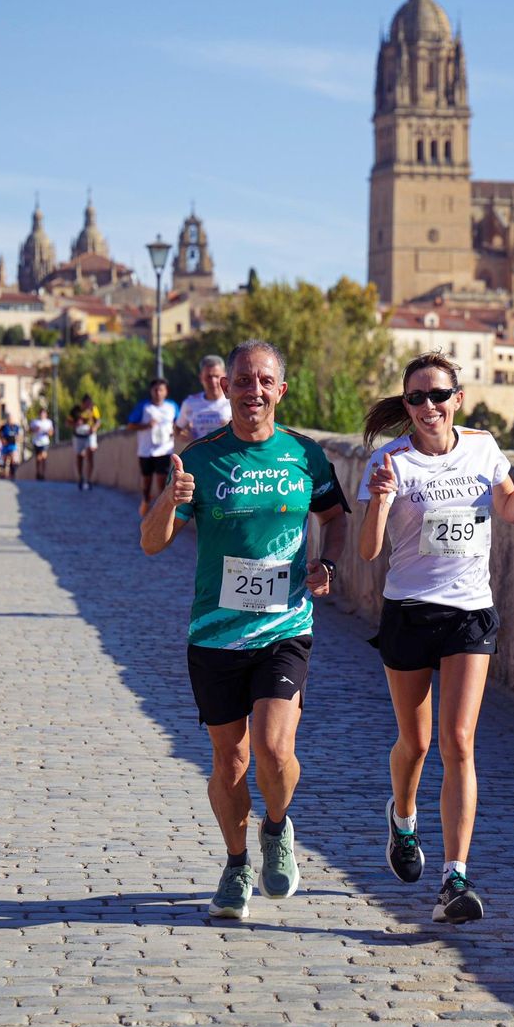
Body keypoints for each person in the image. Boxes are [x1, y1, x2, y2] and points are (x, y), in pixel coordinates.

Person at [140, 339, 349, 920]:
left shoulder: (306, 456)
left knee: (274, 750)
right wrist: (170, 498)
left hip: (286, 625)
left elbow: (334, 518)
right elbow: (152, 543)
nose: (252, 390)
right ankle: (236, 864)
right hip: (213, 634)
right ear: (225, 388)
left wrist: (328, 564)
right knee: (229, 763)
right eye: (241, 380)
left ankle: (277, 827)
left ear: (281, 390)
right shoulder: (201, 459)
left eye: (264, 381)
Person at [356, 352, 514, 924]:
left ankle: (454, 879)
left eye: (438, 396)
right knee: (415, 745)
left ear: (457, 399)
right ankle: (402, 817)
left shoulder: (483, 448)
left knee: (459, 743)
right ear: (405, 404)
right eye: (415, 398)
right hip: (410, 612)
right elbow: (369, 551)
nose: (428, 408)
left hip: (470, 611)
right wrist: (384, 500)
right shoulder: (389, 459)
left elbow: (509, 511)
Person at [127, 378, 179, 517]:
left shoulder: (172, 406)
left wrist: (177, 430)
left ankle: (162, 508)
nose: (158, 393)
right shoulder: (144, 406)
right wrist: (146, 425)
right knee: (147, 479)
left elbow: (178, 423)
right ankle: (145, 500)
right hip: (146, 450)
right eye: (155, 390)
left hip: (165, 449)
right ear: (151, 391)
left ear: (166, 392)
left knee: (162, 478)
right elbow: (130, 425)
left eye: (161, 390)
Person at [175, 354, 231, 449]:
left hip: (226, 455)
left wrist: (231, 427)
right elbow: (178, 429)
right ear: (201, 378)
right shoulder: (190, 403)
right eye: (209, 377)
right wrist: (183, 436)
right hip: (200, 456)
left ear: (225, 376)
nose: (213, 381)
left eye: (217, 376)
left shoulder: (234, 401)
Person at [69, 394, 101, 490]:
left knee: (90, 452)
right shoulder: (76, 410)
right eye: (86, 404)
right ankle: (80, 478)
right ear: (82, 403)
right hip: (78, 436)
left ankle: (89, 479)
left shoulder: (93, 409)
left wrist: (94, 428)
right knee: (80, 457)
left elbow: (98, 421)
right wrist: (76, 423)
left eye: (89, 404)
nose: (88, 406)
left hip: (89, 434)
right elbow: (68, 422)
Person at [29, 407, 54, 480]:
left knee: (44, 457)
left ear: (46, 414)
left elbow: (51, 432)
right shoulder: (35, 421)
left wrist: (48, 432)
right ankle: (38, 472)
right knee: (38, 458)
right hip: (36, 442)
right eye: (41, 413)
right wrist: (35, 429)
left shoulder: (49, 422)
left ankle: (43, 474)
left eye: (44, 413)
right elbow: (29, 430)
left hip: (45, 442)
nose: (42, 415)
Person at [0, 411, 22, 480]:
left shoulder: (16, 427)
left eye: (11, 419)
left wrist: (18, 438)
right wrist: (2, 439)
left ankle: (12, 474)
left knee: (12, 459)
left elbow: (19, 435)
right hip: (5, 445)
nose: (10, 420)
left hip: (12, 445)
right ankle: (4, 474)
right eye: (9, 418)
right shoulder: (3, 427)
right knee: (5, 460)